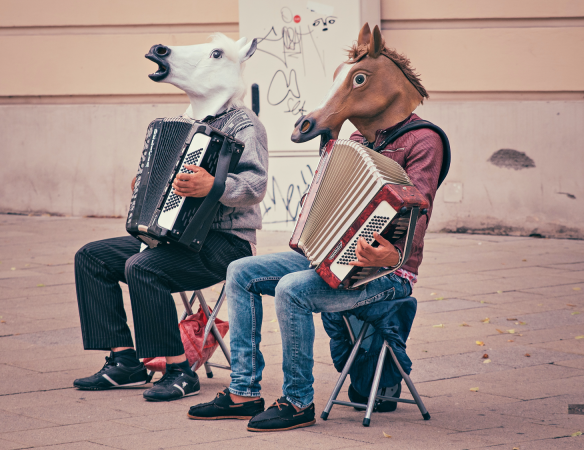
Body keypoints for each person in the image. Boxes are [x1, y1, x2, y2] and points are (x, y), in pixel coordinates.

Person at [188, 24, 445, 430]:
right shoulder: (357, 141)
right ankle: (243, 391)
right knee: (240, 272)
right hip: (331, 259)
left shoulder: (424, 140)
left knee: (292, 290)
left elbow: (418, 207)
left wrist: (391, 254)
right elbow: (328, 196)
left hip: (390, 272)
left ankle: (297, 402)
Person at [73, 34, 268, 402]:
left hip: (226, 244)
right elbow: (161, 175)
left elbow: (255, 186)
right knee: (91, 257)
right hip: (174, 237)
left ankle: (180, 371)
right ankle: (123, 360)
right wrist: (144, 184)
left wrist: (214, 186)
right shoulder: (185, 121)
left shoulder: (245, 124)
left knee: (143, 267)